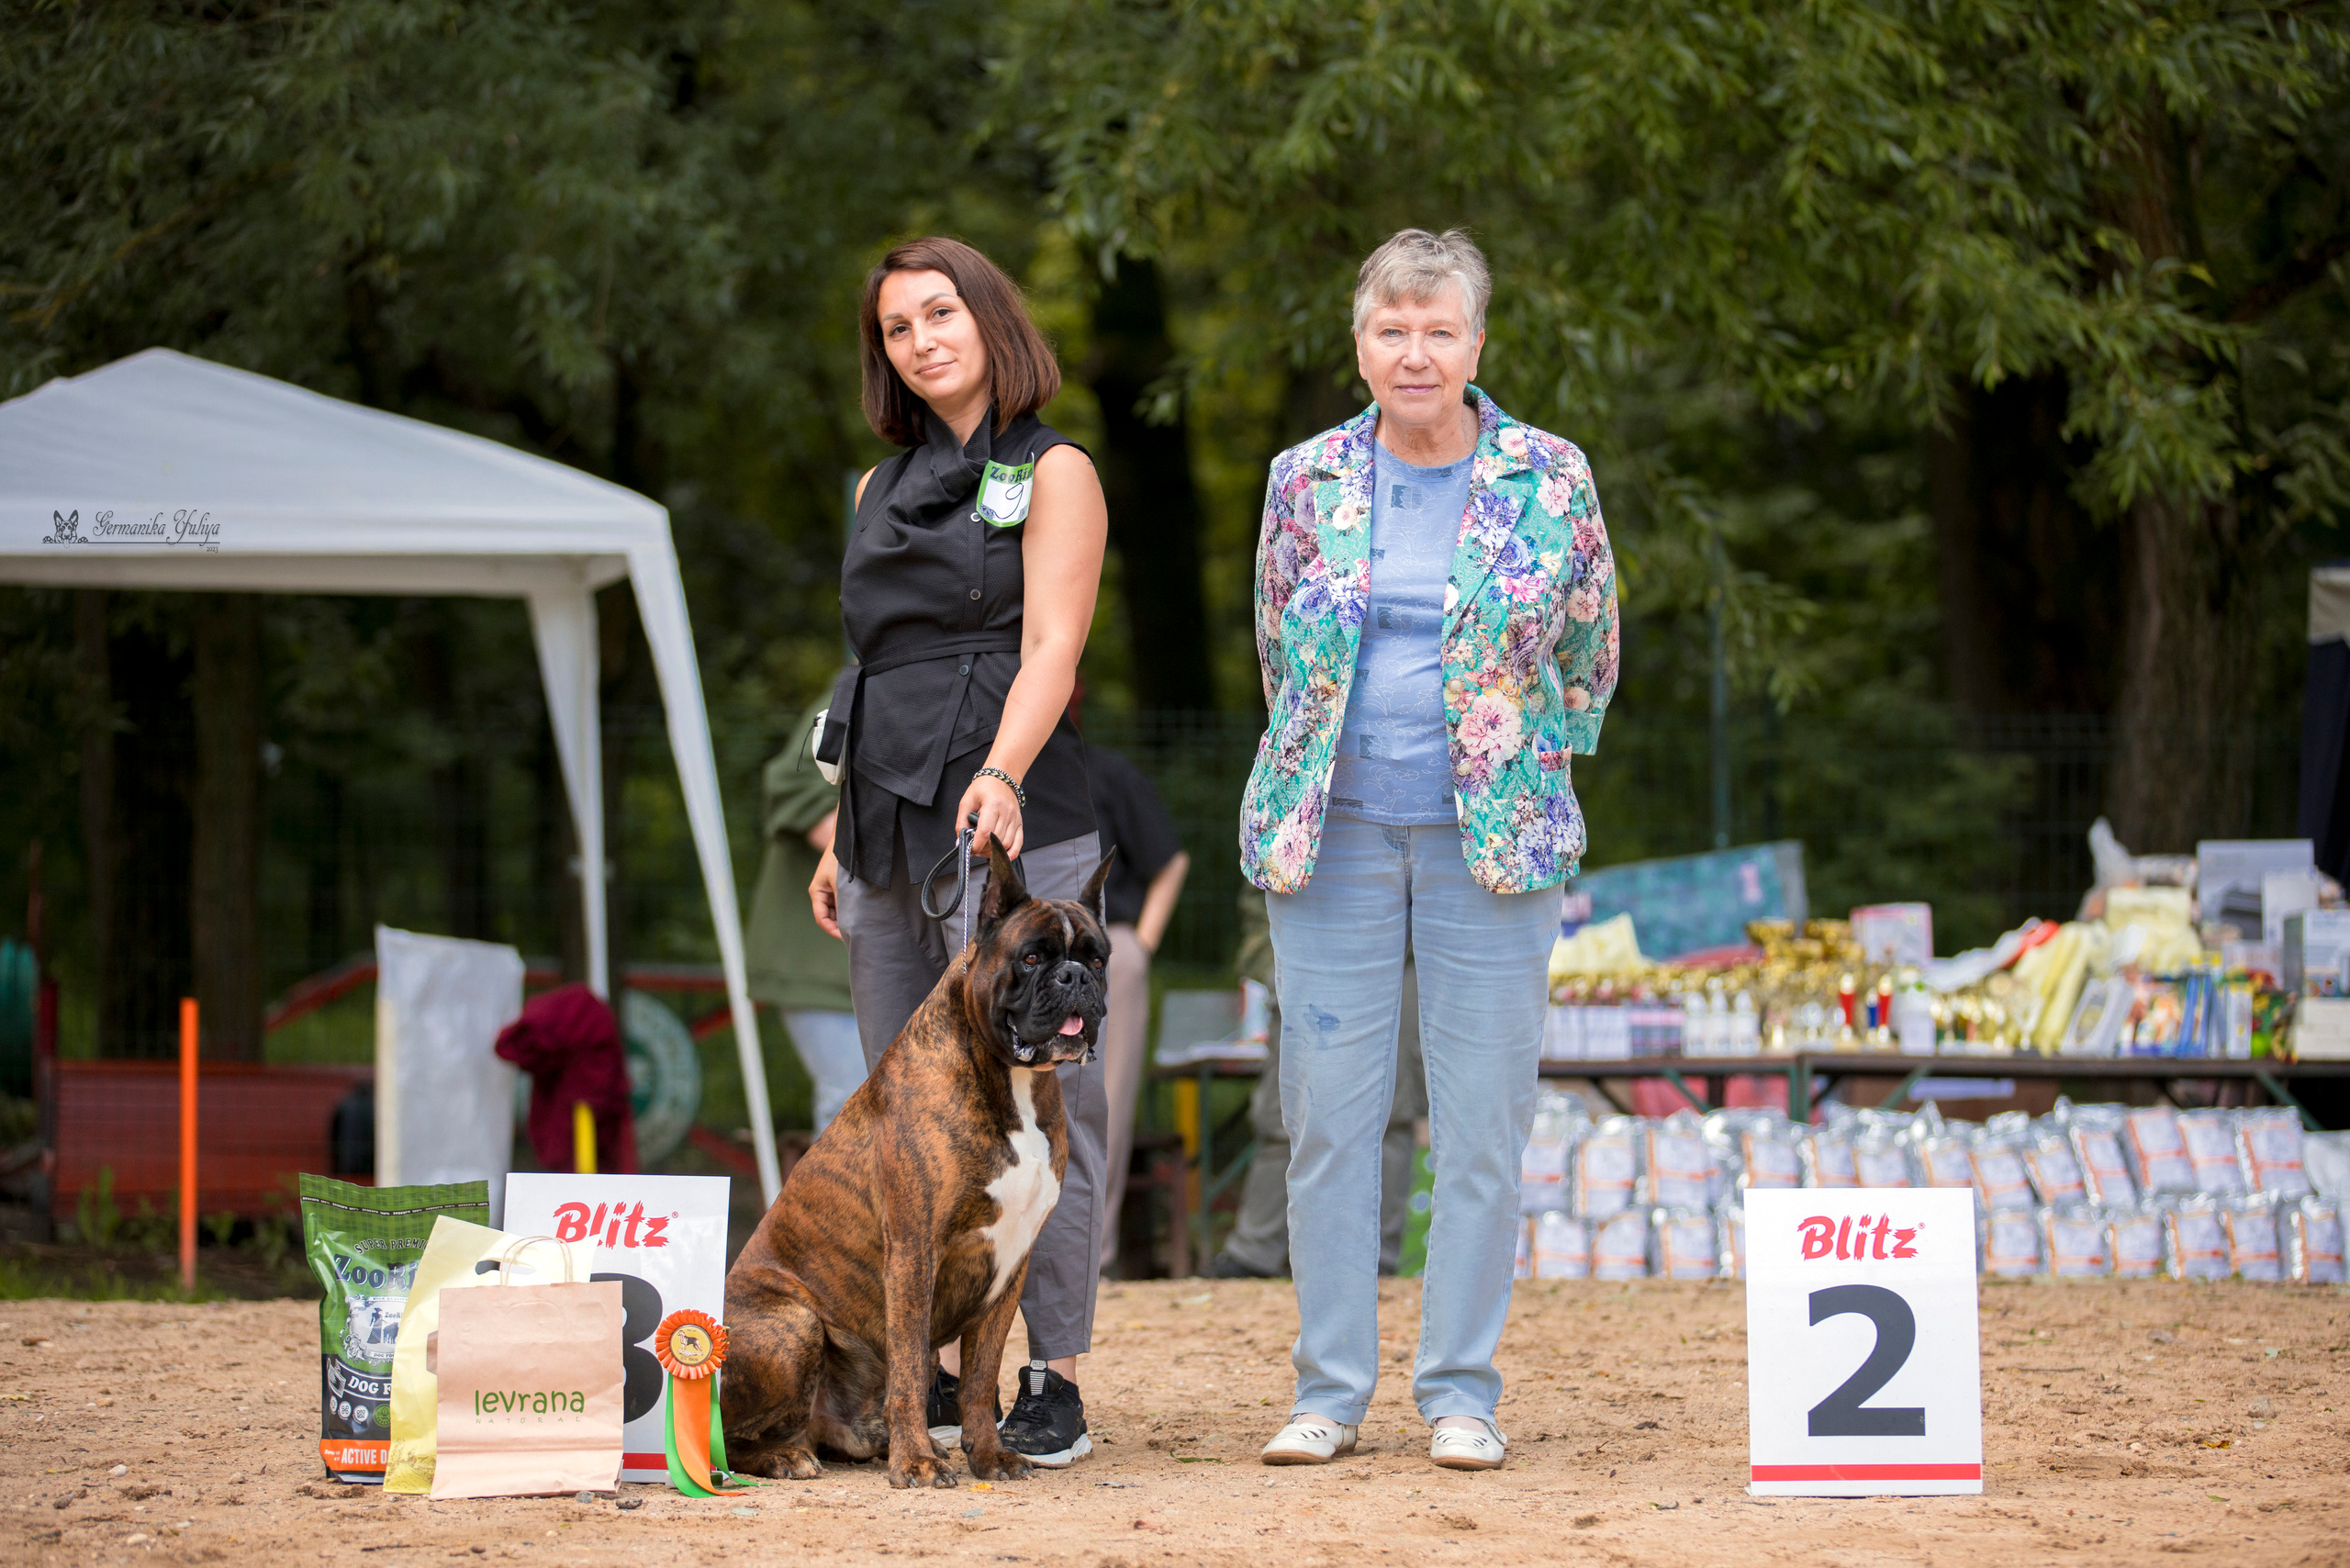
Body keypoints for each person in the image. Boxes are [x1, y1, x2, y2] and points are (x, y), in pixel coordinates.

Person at [1245, 229, 1618, 1473]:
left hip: (1493, 845)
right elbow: (1276, 647)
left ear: (1477, 344)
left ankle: (1462, 1392)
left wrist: (1514, 758)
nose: (1416, 351)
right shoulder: (1304, 478)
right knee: (1330, 1128)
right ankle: (1329, 1393)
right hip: (1334, 841)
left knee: (1480, 1130)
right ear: (1360, 346)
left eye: (1439, 329)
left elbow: (1589, 647)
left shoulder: (1550, 475)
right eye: (1392, 330)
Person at [807, 236, 1110, 1469]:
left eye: (942, 313)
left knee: (1040, 1104)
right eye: (897, 327)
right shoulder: (874, 492)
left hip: (1011, 806)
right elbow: (868, 664)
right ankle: (919, 1378)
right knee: (903, 1111)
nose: (923, 339)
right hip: (883, 811)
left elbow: (1053, 646)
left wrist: (1000, 771)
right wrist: (839, 827)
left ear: (989, 320)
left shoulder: (1057, 467)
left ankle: (1056, 1379)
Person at [1210, 890, 1422, 1280]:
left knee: (1392, 1111)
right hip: (1307, 949)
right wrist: (1272, 963)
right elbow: (1263, 887)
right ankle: (1255, 1253)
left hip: (1402, 957)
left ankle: (1378, 1258)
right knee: (1285, 1114)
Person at [1079, 733, 1190, 1272]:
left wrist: (1140, 945)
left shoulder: (1108, 770)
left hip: (1106, 950)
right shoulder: (990, 772)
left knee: (1107, 1103)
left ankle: (1092, 1261)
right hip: (1026, 954)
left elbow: (1170, 860)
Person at [744, 685, 866, 1134]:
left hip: (891, 960)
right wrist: (850, 848)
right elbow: (789, 782)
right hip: (821, 963)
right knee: (852, 1109)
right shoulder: (868, 675)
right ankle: (830, 1206)